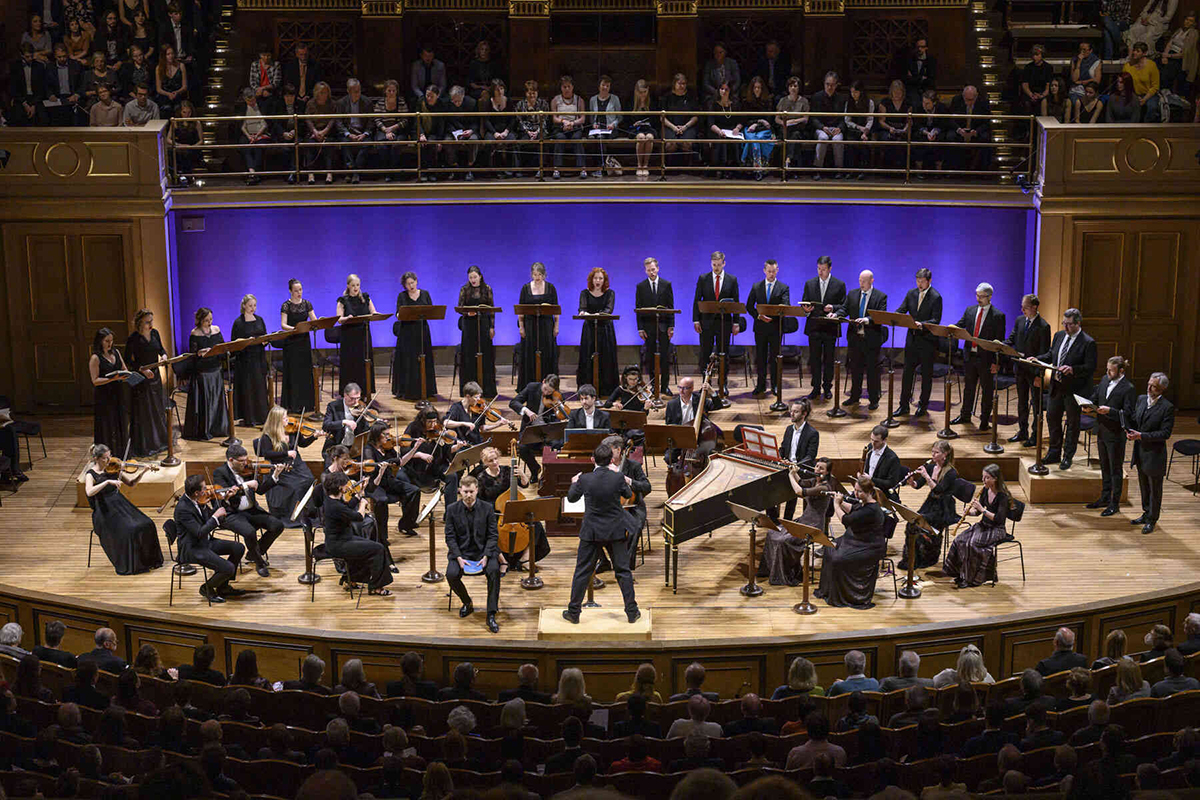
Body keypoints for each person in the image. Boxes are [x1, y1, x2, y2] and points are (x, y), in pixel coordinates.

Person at [562, 442, 640, 624]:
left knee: (582, 571)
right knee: (623, 571)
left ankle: (574, 613)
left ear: (592, 460)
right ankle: (631, 612)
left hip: (591, 532)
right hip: (615, 531)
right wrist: (617, 476)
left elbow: (572, 498)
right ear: (611, 460)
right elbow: (628, 494)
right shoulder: (618, 477)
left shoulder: (585, 479)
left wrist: (574, 483)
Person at [1032, 308, 1096, 470]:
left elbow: (1090, 367)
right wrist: (1037, 359)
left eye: (1069, 324)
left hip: (1074, 389)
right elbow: (1051, 355)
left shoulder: (1088, 342)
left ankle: (1068, 456)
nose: (1065, 327)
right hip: (1056, 386)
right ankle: (1054, 452)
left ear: (1078, 323)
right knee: (1052, 419)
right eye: (1064, 323)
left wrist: (1073, 369)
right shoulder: (1059, 336)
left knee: (1072, 424)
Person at [83, 444, 163, 575]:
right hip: (104, 511)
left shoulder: (113, 468)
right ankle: (133, 564)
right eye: (105, 458)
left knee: (148, 524)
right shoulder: (91, 474)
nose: (109, 461)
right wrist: (107, 482)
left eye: (109, 457)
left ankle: (148, 561)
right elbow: (89, 492)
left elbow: (131, 483)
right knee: (130, 529)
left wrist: (143, 471)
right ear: (96, 458)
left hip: (120, 504)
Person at [212, 443, 285, 577]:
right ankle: (259, 562)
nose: (245, 463)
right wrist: (245, 485)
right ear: (231, 460)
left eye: (246, 459)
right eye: (241, 461)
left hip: (251, 510)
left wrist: (275, 475)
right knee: (249, 532)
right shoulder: (220, 473)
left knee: (278, 525)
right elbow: (222, 494)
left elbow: (261, 490)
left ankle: (253, 553)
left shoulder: (248, 469)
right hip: (231, 513)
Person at [472, 443, 549, 569]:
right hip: (495, 513)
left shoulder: (507, 470)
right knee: (489, 531)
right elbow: (480, 502)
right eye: (491, 461)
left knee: (535, 524)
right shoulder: (481, 478)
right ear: (485, 462)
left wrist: (522, 474)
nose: (495, 462)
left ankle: (525, 557)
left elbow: (524, 485)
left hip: (513, 509)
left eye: (496, 458)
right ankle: (502, 560)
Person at [816, 477, 888, 609]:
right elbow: (852, 508)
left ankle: (843, 595)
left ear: (869, 492)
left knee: (838, 560)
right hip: (856, 539)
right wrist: (840, 501)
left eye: (859, 491)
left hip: (869, 546)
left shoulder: (871, 509)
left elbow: (846, 520)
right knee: (828, 547)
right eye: (855, 490)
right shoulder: (864, 502)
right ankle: (828, 590)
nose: (855, 494)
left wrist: (836, 504)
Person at [173, 475, 245, 602]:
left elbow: (212, 517)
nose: (208, 490)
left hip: (205, 542)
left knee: (238, 548)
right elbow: (199, 532)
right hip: (192, 548)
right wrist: (215, 518)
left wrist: (225, 500)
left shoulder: (199, 500)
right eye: (204, 488)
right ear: (196, 492)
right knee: (228, 568)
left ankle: (223, 587)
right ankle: (207, 588)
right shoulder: (183, 509)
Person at [321, 470, 393, 597]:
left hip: (342, 539)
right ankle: (376, 587)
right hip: (339, 544)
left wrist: (359, 494)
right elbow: (358, 517)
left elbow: (347, 508)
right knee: (378, 549)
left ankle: (351, 580)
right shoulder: (335, 506)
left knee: (370, 546)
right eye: (345, 484)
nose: (347, 486)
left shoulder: (331, 500)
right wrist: (363, 503)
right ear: (340, 488)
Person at [444, 475, 500, 633]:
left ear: (477, 490)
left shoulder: (487, 508)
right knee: (451, 574)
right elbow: (450, 537)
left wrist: (487, 555)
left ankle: (491, 613)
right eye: (465, 492)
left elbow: (493, 535)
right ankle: (467, 602)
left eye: (471, 492)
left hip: (483, 552)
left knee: (494, 571)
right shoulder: (452, 509)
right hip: (462, 553)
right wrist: (459, 557)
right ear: (460, 491)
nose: (468, 495)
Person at [764, 456, 831, 585]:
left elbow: (799, 491)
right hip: (804, 519)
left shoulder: (824, 488)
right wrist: (794, 473)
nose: (817, 470)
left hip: (814, 525)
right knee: (772, 533)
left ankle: (785, 574)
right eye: (817, 466)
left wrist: (790, 474)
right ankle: (771, 570)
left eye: (821, 468)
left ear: (827, 472)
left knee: (783, 541)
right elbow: (800, 482)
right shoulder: (814, 481)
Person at [942, 463, 1011, 588]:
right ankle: (959, 573)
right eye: (983, 477)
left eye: (987, 478)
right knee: (959, 540)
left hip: (997, 529)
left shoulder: (1003, 496)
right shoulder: (985, 490)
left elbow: (999, 519)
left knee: (971, 544)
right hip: (983, 525)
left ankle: (970, 579)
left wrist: (982, 510)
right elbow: (978, 512)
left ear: (995, 479)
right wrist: (969, 513)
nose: (983, 480)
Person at [950, 282, 1006, 431]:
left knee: (987, 390)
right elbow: (960, 325)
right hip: (970, 356)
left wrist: (996, 362)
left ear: (990, 297)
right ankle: (965, 415)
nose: (978, 299)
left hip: (986, 359)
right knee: (968, 388)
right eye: (977, 295)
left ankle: (984, 420)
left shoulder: (998, 316)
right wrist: (951, 328)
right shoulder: (970, 310)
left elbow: (998, 341)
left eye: (982, 296)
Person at [1088, 357, 1137, 515]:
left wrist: (1111, 411)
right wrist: (1089, 406)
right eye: (1107, 369)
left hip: (1115, 434)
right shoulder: (1104, 380)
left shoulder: (1128, 388)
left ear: (1121, 371)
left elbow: (1129, 413)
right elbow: (1096, 397)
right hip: (1102, 430)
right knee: (1104, 466)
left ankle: (1114, 503)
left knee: (1115, 469)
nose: (1107, 372)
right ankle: (1104, 497)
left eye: (1111, 370)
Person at [1128, 371, 1175, 534]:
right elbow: (1135, 419)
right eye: (1149, 384)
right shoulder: (1141, 399)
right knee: (1143, 486)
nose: (1149, 388)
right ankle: (1146, 512)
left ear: (1161, 389)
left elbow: (1165, 434)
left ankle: (1152, 519)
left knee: (1155, 490)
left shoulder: (1167, 408)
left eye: (1153, 386)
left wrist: (1141, 436)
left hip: (1155, 455)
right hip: (1140, 452)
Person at [252, 405, 318, 522]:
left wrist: (314, 437)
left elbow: (303, 443)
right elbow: (267, 454)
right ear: (276, 421)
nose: (288, 419)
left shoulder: (292, 431)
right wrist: (286, 453)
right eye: (284, 417)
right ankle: (293, 516)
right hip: (280, 467)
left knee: (309, 480)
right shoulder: (268, 436)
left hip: (297, 464)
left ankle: (308, 513)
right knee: (295, 486)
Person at [692, 251, 743, 402]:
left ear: (724, 263)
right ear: (711, 263)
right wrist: (696, 320)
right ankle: (705, 383)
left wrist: (736, 322)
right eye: (714, 265)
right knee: (705, 353)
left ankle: (723, 384)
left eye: (719, 265)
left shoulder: (732, 280)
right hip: (706, 323)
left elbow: (735, 302)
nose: (716, 267)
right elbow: (697, 300)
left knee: (723, 355)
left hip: (724, 323)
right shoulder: (703, 278)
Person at [893, 267, 942, 416]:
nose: (919, 285)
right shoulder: (911, 293)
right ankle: (904, 405)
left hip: (927, 341)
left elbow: (936, 319)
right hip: (912, 340)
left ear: (929, 281)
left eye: (922, 282)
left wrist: (923, 324)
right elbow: (902, 309)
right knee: (907, 373)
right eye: (917, 281)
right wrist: (895, 316)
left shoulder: (936, 297)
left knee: (926, 376)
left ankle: (923, 405)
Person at [1005, 293, 1052, 446]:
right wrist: (1000, 344)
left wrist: (1040, 375)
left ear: (1034, 307)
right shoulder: (1020, 320)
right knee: (1022, 403)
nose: (1022, 310)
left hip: (1034, 372)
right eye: (1022, 307)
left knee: (1036, 405)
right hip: (1020, 368)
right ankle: (1022, 431)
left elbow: (1045, 353)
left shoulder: (1043, 326)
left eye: (1025, 307)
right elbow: (1012, 339)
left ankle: (1035, 435)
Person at [837, 270, 888, 409]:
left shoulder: (881, 297)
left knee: (872, 371)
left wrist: (867, 320)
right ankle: (854, 397)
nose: (861, 284)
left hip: (871, 339)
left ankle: (873, 400)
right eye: (860, 280)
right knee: (855, 369)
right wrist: (836, 314)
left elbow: (880, 316)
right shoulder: (853, 294)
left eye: (864, 281)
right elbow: (844, 309)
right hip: (855, 338)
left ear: (871, 281)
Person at [903, 441, 958, 569]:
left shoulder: (951, 473)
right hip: (931, 503)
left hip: (944, 507)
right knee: (912, 522)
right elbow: (918, 485)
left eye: (936, 452)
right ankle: (912, 559)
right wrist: (911, 482)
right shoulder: (931, 467)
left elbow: (939, 490)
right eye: (932, 451)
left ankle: (927, 557)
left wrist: (927, 477)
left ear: (945, 454)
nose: (933, 454)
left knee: (921, 525)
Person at [124, 310, 169, 457]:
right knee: (144, 411)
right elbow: (127, 361)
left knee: (156, 409)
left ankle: (158, 442)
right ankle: (146, 444)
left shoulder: (155, 333)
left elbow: (161, 350)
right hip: (141, 378)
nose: (151, 324)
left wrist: (163, 356)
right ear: (140, 323)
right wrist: (141, 370)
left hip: (154, 376)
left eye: (151, 321)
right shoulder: (133, 338)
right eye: (147, 322)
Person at [745, 259, 791, 396]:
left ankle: (775, 385)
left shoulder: (784, 288)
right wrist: (759, 316)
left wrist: (775, 316)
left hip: (776, 328)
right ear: (764, 271)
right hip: (760, 327)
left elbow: (786, 306)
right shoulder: (756, 286)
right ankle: (760, 385)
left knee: (775, 358)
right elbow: (749, 306)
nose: (771, 274)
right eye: (769, 271)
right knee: (761, 357)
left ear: (777, 270)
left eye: (774, 271)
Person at [182, 306, 227, 441]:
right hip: (203, 372)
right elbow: (193, 355)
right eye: (206, 320)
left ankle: (218, 427)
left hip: (215, 369)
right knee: (206, 401)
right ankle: (205, 429)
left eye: (211, 319)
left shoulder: (216, 329)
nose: (209, 322)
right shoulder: (195, 333)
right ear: (200, 320)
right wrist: (199, 353)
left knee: (217, 399)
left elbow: (222, 347)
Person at [509, 373, 564, 482]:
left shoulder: (557, 395)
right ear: (543, 381)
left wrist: (560, 407)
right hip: (531, 429)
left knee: (558, 444)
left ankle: (549, 474)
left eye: (549, 391)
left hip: (548, 430)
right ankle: (535, 470)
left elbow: (561, 415)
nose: (546, 393)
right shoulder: (532, 387)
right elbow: (513, 402)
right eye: (545, 389)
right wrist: (526, 410)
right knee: (522, 448)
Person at [390, 271, 436, 401]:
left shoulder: (425, 294)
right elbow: (398, 314)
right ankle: (407, 390)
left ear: (416, 281)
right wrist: (401, 314)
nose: (411, 286)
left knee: (424, 358)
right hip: (407, 333)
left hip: (422, 331)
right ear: (404, 285)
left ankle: (426, 390)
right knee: (409, 360)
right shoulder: (402, 296)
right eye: (408, 284)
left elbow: (431, 311)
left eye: (413, 282)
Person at [633, 257, 675, 395]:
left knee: (665, 357)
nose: (651, 272)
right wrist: (640, 328)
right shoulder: (640, 286)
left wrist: (671, 326)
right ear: (645, 271)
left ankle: (665, 386)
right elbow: (638, 308)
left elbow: (671, 307)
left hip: (663, 326)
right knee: (650, 358)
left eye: (653, 269)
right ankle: (653, 384)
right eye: (649, 270)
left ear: (658, 268)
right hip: (648, 327)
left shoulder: (666, 284)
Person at [456, 265, 498, 397]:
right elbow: (460, 308)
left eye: (475, 277)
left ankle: (487, 389)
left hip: (484, 325)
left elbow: (492, 309)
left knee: (485, 355)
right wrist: (468, 313)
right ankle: (469, 391)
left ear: (480, 276)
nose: (473, 280)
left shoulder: (487, 289)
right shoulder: (464, 289)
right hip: (469, 326)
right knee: (469, 356)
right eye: (470, 277)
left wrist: (492, 327)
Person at [335, 273, 379, 396]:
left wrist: (377, 315)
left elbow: (373, 312)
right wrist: (346, 318)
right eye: (353, 285)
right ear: (348, 286)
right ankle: (350, 392)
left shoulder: (365, 297)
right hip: (349, 336)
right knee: (351, 364)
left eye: (358, 285)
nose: (356, 287)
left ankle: (365, 391)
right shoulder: (343, 300)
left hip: (363, 335)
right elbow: (339, 319)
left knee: (364, 362)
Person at [576, 267, 618, 397]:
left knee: (606, 357)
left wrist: (596, 314)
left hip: (605, 329)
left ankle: (606, 389)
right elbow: (582, 308)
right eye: (595, 278)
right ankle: (587, 389)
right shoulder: (584, 293)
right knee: (588, 357)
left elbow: (608, 310)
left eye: (600, 278)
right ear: (591, 280)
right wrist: (584, 313)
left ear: (604, 280)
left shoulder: (610, 293)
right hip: (590, 330)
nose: (598, 281)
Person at [516, 262, 559, 387]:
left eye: (539, 274)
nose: (537, 277)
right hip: (530, 326)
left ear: (544, 274)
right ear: (531, 275)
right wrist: (521, 327)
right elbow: (521, 310)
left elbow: (556, 310)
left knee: (547, 354)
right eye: (534, 274)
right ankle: (529, 385)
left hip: (546, 325)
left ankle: (549, 384)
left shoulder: (551, 288)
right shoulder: (525, 288)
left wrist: (556, 326)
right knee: (530, 354)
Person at [278, 279, 317, 413]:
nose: (299, 293)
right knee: (294, 373)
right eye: (296, 290)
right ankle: (293, 404)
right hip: (292, 342)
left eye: (300, 290)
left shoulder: (307, 304)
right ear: (290, 291)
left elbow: (314, 321)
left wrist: (317, 323)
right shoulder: (286, 306)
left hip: (304, 342)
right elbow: (283, 325)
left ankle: (307, 404)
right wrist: (296, 329)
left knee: (305, 372)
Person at [229, 294, 269, 425]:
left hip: (258, 357)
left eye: (255, 305)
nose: (253, 308)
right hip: (244, 360)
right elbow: (234, 343)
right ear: (244, 306)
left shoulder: (260, 320)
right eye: (250, 305)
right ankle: (249, 417)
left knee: (259, 386)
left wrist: (265, 341)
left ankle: (261, 416)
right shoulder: (238, 322)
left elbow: (264, 336)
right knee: (247, 387)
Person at [89, 328, 130, 451]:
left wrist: (127, 375)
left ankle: (120, 451)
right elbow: (95, 380)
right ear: (100, 341)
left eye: (111, 341)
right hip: (104, 395)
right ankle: (105, 454)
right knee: (107, 424)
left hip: (118, 392)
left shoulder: (116, 352)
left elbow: (124, 369)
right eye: (107, 341)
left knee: (120, 421)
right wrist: (112, 379)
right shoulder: (95, 358)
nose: (109, 343)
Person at [778, 400, 820, 507]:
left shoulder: (812, 433)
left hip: (802, 469)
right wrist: (779, 457)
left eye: (795, 412)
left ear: (804, 414)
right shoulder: (789, 429)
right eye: (791, 411)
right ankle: (777, 519)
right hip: (788, 466)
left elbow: (810, 456)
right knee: (771, 486)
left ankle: (795, 520)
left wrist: (795, 466)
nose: (791, 414)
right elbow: (783, 448)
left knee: (799, 496)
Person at [335, 77, 372, 183]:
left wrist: (365, 134)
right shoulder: (341, 102)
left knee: (367, 144)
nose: (357, 93)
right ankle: (351, 171)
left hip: (362, 132)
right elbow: (338, 122)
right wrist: (348, 134)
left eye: (359, 90)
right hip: (348, 132)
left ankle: (354, 172)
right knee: (345, 144)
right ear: (348, 91)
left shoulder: (367, 102)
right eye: (355, 91)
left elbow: (371, 121)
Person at [660, 73, 701, 169]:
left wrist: (685, 126)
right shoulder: (667, 97)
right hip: (670, 126)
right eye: (679, 83)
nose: (682, 86)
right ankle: (670, 167)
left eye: (684, 83)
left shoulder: (691, 97)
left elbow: (695, 116)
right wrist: (674, 128)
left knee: (686, 143)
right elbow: (662, 117)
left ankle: (686, 167)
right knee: (671, 144)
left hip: (687, 126)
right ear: (674, 84)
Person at [946, 85, 991, 172]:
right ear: (963, 96)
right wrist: (959, 129)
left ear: (976, 96)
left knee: (985, 138)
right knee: (950, 137)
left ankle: (982, 171)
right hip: (960, 129)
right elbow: (950, 119)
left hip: (976, 129)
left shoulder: (983, 102)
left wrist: (976, 131)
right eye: (967, 100)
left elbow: (986, 121)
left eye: (971, 100)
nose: (969, 102)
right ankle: (953, 170)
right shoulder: (956, 100)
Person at [550, 75, 586, 179]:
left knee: (577, 139)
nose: (566, 89)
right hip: (560, 126)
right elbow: (554, 118)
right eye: (564, 87)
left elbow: (582, 118)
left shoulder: (579, 100)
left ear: (572, 87)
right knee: (560, 139)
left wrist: (572, 123)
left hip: (575, 126)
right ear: (561, 88)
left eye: (568, 87)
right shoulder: (555, 100)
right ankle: (557, 169)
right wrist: (563, 122)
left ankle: (582, 168)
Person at [810, 71, 844, 178]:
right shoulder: (817, 97)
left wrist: (840, 128)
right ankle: (817, 169)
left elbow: (845, 118)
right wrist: (822, 127)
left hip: (836, 128)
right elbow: (813, 117)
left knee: (838, 140)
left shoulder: (841, 98)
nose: (830, 87)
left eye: (832, 85)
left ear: (836, 85)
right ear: (824, 83)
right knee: (823, 138)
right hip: (821, 127)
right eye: (827, 84)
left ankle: (839, 169)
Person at [859, 424, 907, 500]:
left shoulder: (892, 458)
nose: (873, 443)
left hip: (882, 494)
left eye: (876, 441)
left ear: (884, 440)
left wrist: (871, 479)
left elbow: (891, 483)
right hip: (868, 490)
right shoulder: (870, 448)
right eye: (872, 440)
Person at [705, 81, 742, 179]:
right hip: (717, 130)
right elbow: (711, 123)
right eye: (722, 89)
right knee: (722, 142)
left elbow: (741, 120)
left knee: (735, 141)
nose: (724, 91)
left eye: (726, 89)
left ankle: (733, 170)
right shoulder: (713, 104)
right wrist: (719, 131)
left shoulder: (735, 104)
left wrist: (737, 128)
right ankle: (721, 169)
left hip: (732, 130)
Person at [442, 85, 479, 180]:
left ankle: (469, 168)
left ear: (463, 96)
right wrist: (454, 132)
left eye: (458, 101)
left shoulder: (472, 103)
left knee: (474, 140)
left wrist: (471, 130)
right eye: (454, 101)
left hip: (468, 130)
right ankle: (454, 167)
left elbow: (476, 121)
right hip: (453, 131)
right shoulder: (447, 104)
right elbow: (446, 122)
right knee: (447, 142)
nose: (456, 103)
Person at [873, 79, 911, 172]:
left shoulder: (907, 103)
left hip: (901, 129)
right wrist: (890, 128)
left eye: (899, 92)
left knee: (903, 141)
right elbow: (881, 121)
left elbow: (909, 121)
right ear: (891, 92)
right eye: (895, 92)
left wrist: (905, 129)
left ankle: (901, 169)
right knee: (888, 139)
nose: (897, 94)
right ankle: (887, 168)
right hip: (887, 128)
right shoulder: (885, 102)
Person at [482, 79, 517, 176]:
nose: (500, 91)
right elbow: (486, 120)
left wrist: (506, 131)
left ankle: (510, 170)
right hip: (493, 130)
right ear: (493, 91)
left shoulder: (508, 100)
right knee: (490, 142)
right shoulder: (488, 101)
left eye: (502, 88)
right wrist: (495, 133)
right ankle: (494, 170)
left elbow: (513, 119)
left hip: (506, 130)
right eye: (497, 89)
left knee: (511, 141)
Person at [587, 75, 622, 174]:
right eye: (603, 85)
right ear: (599, 86)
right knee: (592, 139)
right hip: (597, 129)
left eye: (607, 85)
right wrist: (593, 124)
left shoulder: (615, 99)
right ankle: (595, 166)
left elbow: (620, 117)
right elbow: (591, 117)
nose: (605, 87)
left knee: (601, 138)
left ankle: (602, 167)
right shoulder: (593, 99)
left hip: (611, 129)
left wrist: (613, 124)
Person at [305, 81, 337, 184]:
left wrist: (325, 131)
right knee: (310, 145)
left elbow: (332, 119)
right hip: (313, 131)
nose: (323, 95)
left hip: (327, 132)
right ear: (316, 93)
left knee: (328, 146)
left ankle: (329, 173)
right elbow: (308, 119)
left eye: (325, 92)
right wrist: (314, 131)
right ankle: (310, 174)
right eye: (321, 92)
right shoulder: (310, 103)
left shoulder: (332, 103)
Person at [1158, 12, 1197, 94]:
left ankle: (1165, 91)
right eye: (1186, 19)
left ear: (1194, 23)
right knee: (1156, 63)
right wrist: (1164, 56)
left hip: (1180, 58)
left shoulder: (1193, 33)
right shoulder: (1179, 30)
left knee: (1167, 70)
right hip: (1169, 54)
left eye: (1190, 21)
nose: (1187, 22)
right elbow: (1170, 43)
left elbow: (1184, 53)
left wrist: (1169, 56)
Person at [1124, 41, 1163, 122]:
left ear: (1144, 53)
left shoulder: (1151, 65)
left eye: (1138, 51)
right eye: (1134, 50)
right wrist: (1134, 96)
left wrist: (1144, 99)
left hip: (1149, 94)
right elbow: (1125, 83)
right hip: (1134, 94)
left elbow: (1155, 86)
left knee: (1152, 107)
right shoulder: (1128, 66)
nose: (1134, 52)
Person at [238, 88, 269, 185]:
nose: (251, 102)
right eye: (249, 100)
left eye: (253, 100)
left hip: (261, 133)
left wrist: (256, 136)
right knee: (245, 147)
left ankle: (255, 174)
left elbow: (264, 124)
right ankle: (252, 172)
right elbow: (242, 126)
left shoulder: (261, 106)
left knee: (258, 147)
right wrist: (249, 136)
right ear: (245, 99)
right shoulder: (243, 108)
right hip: (247, 134)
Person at [628, 79, 658, 178]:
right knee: (641, 137)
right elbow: (626, 119)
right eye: (640, 92)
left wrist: (649, 122)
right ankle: (639, 165)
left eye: (645, 92)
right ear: (636, 91)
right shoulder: (631, 101)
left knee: (649, 138)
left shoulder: (652, 100)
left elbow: (656, 118)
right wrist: (634, 123)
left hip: (649, 127)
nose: (642, 95)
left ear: (648, 90)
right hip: (635, 129)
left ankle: (645, 165)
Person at [153, 44, 185, 117]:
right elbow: (158, 89)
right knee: (166, 109)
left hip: (177, 94)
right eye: (168, 54)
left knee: (178, 108)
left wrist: (176, 92)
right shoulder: (159, 68)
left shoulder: (181, 66)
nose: (171, 56)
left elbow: (184, 86)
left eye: (172, 53)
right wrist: (168, 94)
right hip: (165, 96)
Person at [904, 37, 937, 106]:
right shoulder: (910, 59)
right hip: (913, 90)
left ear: (926, 48)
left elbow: (930, 79)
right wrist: (921, 78)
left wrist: (915, 78)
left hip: (927, 89)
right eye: (918, 47)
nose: (919, 49)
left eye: (922, 47)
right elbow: (908, 79)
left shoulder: (931, 60)